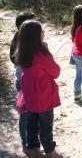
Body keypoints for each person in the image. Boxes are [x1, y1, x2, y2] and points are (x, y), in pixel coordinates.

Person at [15, 20, 61, 158]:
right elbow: (56, 72)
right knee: (46, 127)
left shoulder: (22, 53)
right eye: (42, 31)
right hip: (44, 97)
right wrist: (47, 51)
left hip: (29, 96)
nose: (43, 33)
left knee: (31, 126)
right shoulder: (42, 55)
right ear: (36, 36)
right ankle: (50, 152)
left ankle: (33, 150)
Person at [9, 12, 36, 155]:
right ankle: (26, 143)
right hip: (24, 81)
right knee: (25, 114)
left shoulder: (23, 37)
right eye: (33, 21)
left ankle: (30, 141)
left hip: (22, 80)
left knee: (30, 113)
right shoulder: (22, 39)